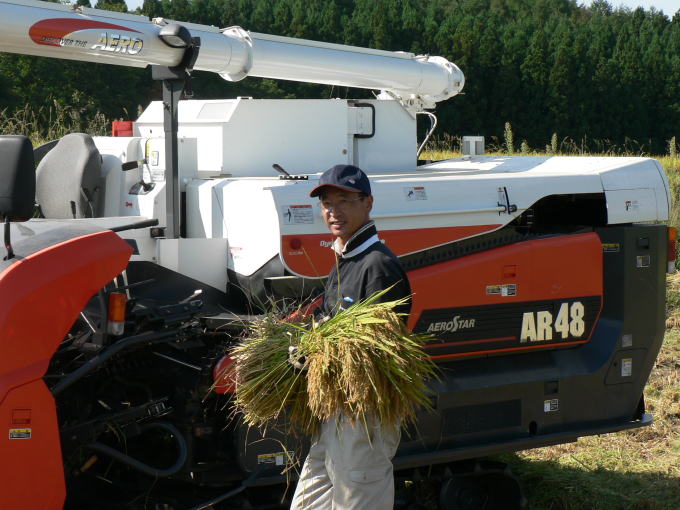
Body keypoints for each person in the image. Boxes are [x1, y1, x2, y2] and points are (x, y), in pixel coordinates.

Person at [290, 164, 411, 510]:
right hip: (335, 411)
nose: (333, 211)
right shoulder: (345, 260)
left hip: (362, 416)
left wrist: (317, 353)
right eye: (327, 203)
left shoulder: (377, 266)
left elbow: (376, 352)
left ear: (367, 203)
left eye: (344, 200)